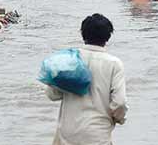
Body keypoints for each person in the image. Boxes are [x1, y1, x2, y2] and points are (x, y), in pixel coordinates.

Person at [45, 14, 128, 145]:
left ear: (83, 34)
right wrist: (118, 119)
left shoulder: (70, 60)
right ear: (108, 36)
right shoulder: (114, 64)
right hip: (98, 134)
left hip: (67, 134)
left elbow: (52, 94)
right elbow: (119, 103)